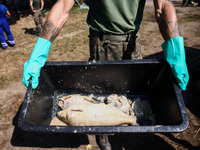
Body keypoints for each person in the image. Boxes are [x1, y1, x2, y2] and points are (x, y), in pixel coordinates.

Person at [22, 0, 189, 149]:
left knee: (131, 92)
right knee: (103, 92)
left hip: (132, 42)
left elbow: (163, 6)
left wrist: (175, 50)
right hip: (102, 43)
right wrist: (40, 51)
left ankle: (128, 120)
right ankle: (103, 132)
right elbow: (65, 5)